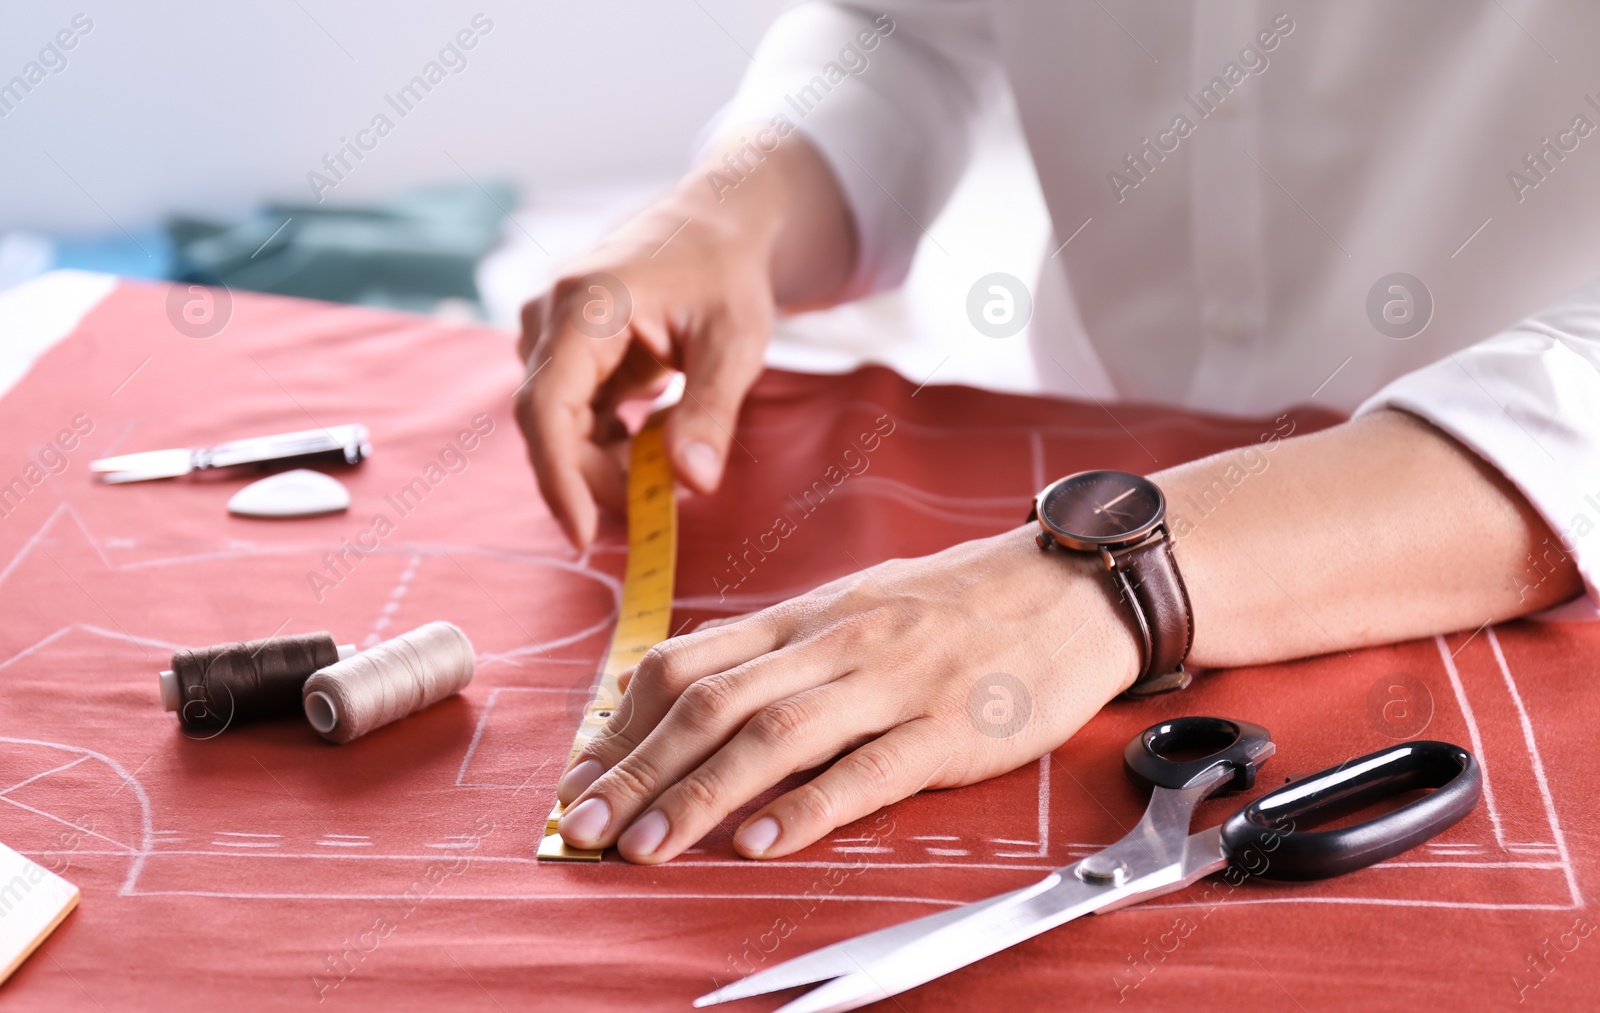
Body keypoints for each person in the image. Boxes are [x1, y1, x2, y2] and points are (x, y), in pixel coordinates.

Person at [515, 1, 1597, 865]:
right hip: (1069, 469)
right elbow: (907, 30)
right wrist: (731, 215)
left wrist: (1107, 582)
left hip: (1495, 539)